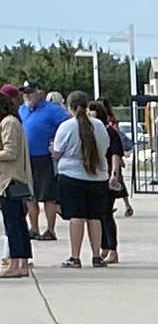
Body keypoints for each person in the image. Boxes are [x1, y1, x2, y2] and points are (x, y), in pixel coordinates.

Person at [51, 95, 114, 268]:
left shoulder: (67, 126)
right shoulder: (99, 126)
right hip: (98, 176)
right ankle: (96, 256)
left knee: (76, 216)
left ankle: (75, 256)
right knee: (95, 217)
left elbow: (57, 153)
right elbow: (106, 147)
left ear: (70, 106)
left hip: (71, 176)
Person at [21, 80, 65, 242]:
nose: (27, 95)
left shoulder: (53, 110)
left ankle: (50, 229)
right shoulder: (22, 109)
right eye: (25, 92)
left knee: (48, 196)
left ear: (40, 92)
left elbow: (66, 126)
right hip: (26, 158)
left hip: (45, 158)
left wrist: (56, 141)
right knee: (29, 195)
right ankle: (34, 228)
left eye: (30, 91)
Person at [1, 90, 33, 277]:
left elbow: (10, 152)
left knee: (13, 223)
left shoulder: (8, 123)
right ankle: (21, 263)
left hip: (9, 180)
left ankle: (16, 263)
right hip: (11, 179)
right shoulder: (13, 122)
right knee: (18, 223)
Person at [93, 102, 131, 251]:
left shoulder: (110, 132)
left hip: (107, 174)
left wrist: (114, 174)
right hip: (96, 175)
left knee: (107, 213)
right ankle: (104, 247)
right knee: (98, 214)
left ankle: (112, 248)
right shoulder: (95, 131)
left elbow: (115, 155)